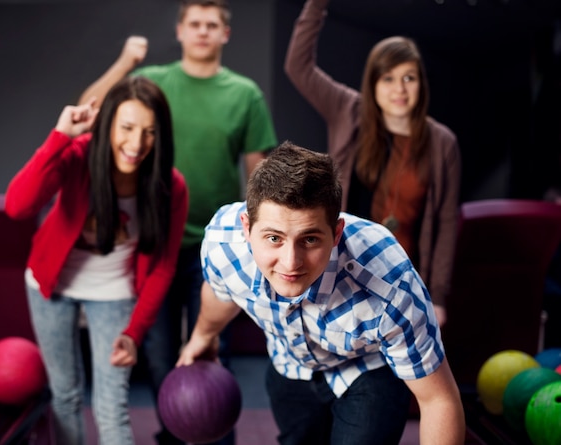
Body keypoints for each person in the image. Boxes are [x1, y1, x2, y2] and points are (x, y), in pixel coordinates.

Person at [79, 1, 277, 443]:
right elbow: (89, 108)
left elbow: (260, 173)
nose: (203, 32)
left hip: (219, 248)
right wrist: (127, 61)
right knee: (160, 354)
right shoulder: (153, 81)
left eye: (212, 25)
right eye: (195, 24)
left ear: (225, 33)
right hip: (157, 239)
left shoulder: (244, 94)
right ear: (181, 30)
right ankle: (175, 432)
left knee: (210, 351)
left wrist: (258, 241)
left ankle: (216, 436)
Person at [177, 141, 466, 445]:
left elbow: (439, 401)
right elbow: (220, 293)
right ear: (246, 229)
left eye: (310, 239)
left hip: (368, 370)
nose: (291, 262)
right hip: (291, 366)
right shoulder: (223, 245)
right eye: (274, 238)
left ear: (337, 232)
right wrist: (203, 336)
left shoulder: (390, 283)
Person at [5, 76, 188, 445]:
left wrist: (134, 332)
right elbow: (17, 206)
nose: (137, 144)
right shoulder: (78, 156)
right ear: (109, 125)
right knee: (66, 394)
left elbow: (163, 266)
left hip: (114, 292)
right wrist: (59, 136)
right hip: (50, 286)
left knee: (111, 405)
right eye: (127, 128)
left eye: (149, 132)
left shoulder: (170, 185)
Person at [284, 0, 461, 327]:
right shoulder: (349, 110)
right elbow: (298, 66)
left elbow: (447, 222)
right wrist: (317, 5)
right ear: (373, 83)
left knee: (395, 372)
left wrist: (437, 295)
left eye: (409, 78)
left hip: (404, 278)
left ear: (421, 83)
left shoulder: (442, 142)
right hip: (345, 271)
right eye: (388, 78)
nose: (400, 89)